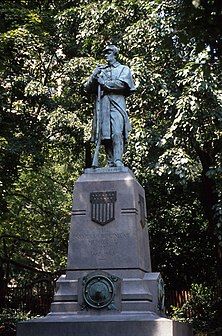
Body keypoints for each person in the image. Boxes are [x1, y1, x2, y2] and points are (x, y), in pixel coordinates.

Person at [84, 44, 136, 167]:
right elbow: (87, 88)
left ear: (115, 54)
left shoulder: (123, 69)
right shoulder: (101, 71)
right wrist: (94, 75)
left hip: (117, 104)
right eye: (105, 53)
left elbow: (122, 85)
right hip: (103, 105)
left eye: (108, 53)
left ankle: (118, 159)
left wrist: (104, 83)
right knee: (105, 135)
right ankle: (111, 161)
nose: (106, 55)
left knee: (117, 132)